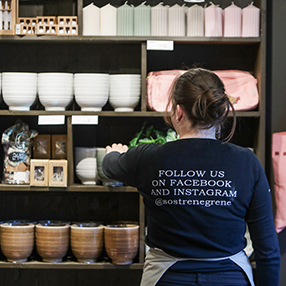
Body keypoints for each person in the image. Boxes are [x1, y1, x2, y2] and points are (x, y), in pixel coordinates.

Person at [102, 68, 280, 286]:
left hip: (166, 278)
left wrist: (115, 153)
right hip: (231, 278)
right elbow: (267, 249)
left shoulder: (148, 158)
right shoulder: (247, 162)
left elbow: (109, 167)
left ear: (178, 111)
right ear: (222, 112)